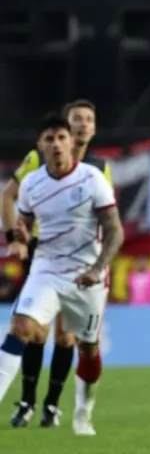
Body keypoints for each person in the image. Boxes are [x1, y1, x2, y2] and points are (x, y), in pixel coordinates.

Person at [0, 113, 123, 436]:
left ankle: (84, 411)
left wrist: (97, 270)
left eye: (61, 137)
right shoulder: (31, 183)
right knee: (22, 327)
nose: (55, 144)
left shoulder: (92, 178)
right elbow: (23, 223)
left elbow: (115, 231)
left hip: (88, 274)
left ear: (72, 142)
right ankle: (20, 401)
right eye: (48, 139)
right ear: (40, 146)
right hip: (47, 268)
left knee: (87, 347)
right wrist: (19, 241)